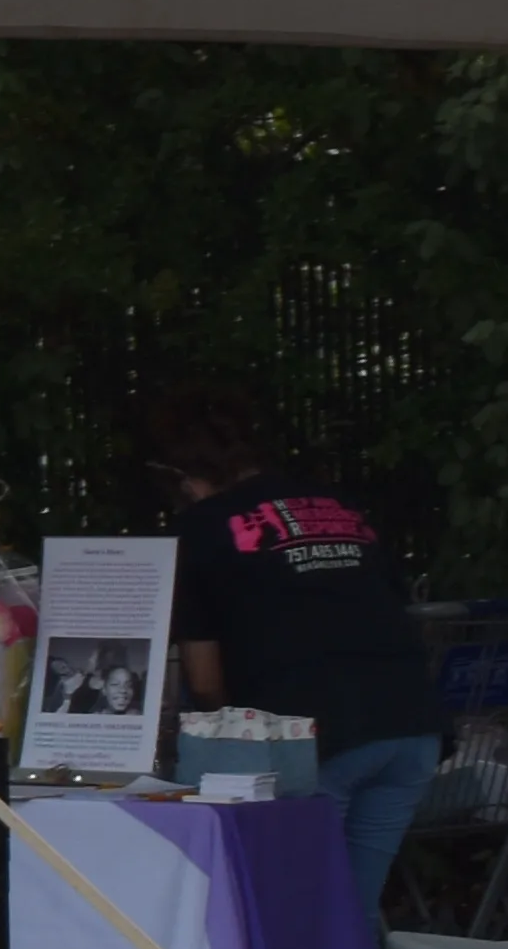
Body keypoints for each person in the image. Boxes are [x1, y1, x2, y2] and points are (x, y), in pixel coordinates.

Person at [152, 379, 443, 910]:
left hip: (311, 736)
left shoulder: (203, 525)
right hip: (412, 721)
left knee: (305, 915)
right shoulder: (338, 505)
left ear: (185, 477)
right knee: (350, 909)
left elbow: (206, 679)